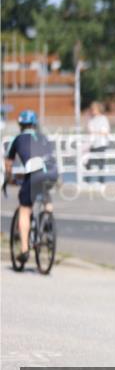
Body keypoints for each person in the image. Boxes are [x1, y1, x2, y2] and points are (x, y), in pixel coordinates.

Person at [4, 110, 58, 264]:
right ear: (34, 124)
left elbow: (8, 163)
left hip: (34, 174)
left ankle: (24, 249)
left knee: (24, 209)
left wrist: (9, 179)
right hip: (52, 172)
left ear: (20, 125)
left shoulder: (18, 139)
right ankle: (47, 221)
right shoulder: (44, 138)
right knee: (46, 194)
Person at [85, 102, 110, 184]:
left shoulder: (103, 119)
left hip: (101, 144)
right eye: (92, 109)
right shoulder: (91, 120)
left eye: (94, 109)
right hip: (92, 144)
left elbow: (105, 131)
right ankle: (87, 181)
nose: (92, 110)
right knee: (88, 163)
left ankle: (101, 181)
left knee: (101, 164)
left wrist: (95, 133)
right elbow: (90, 131)